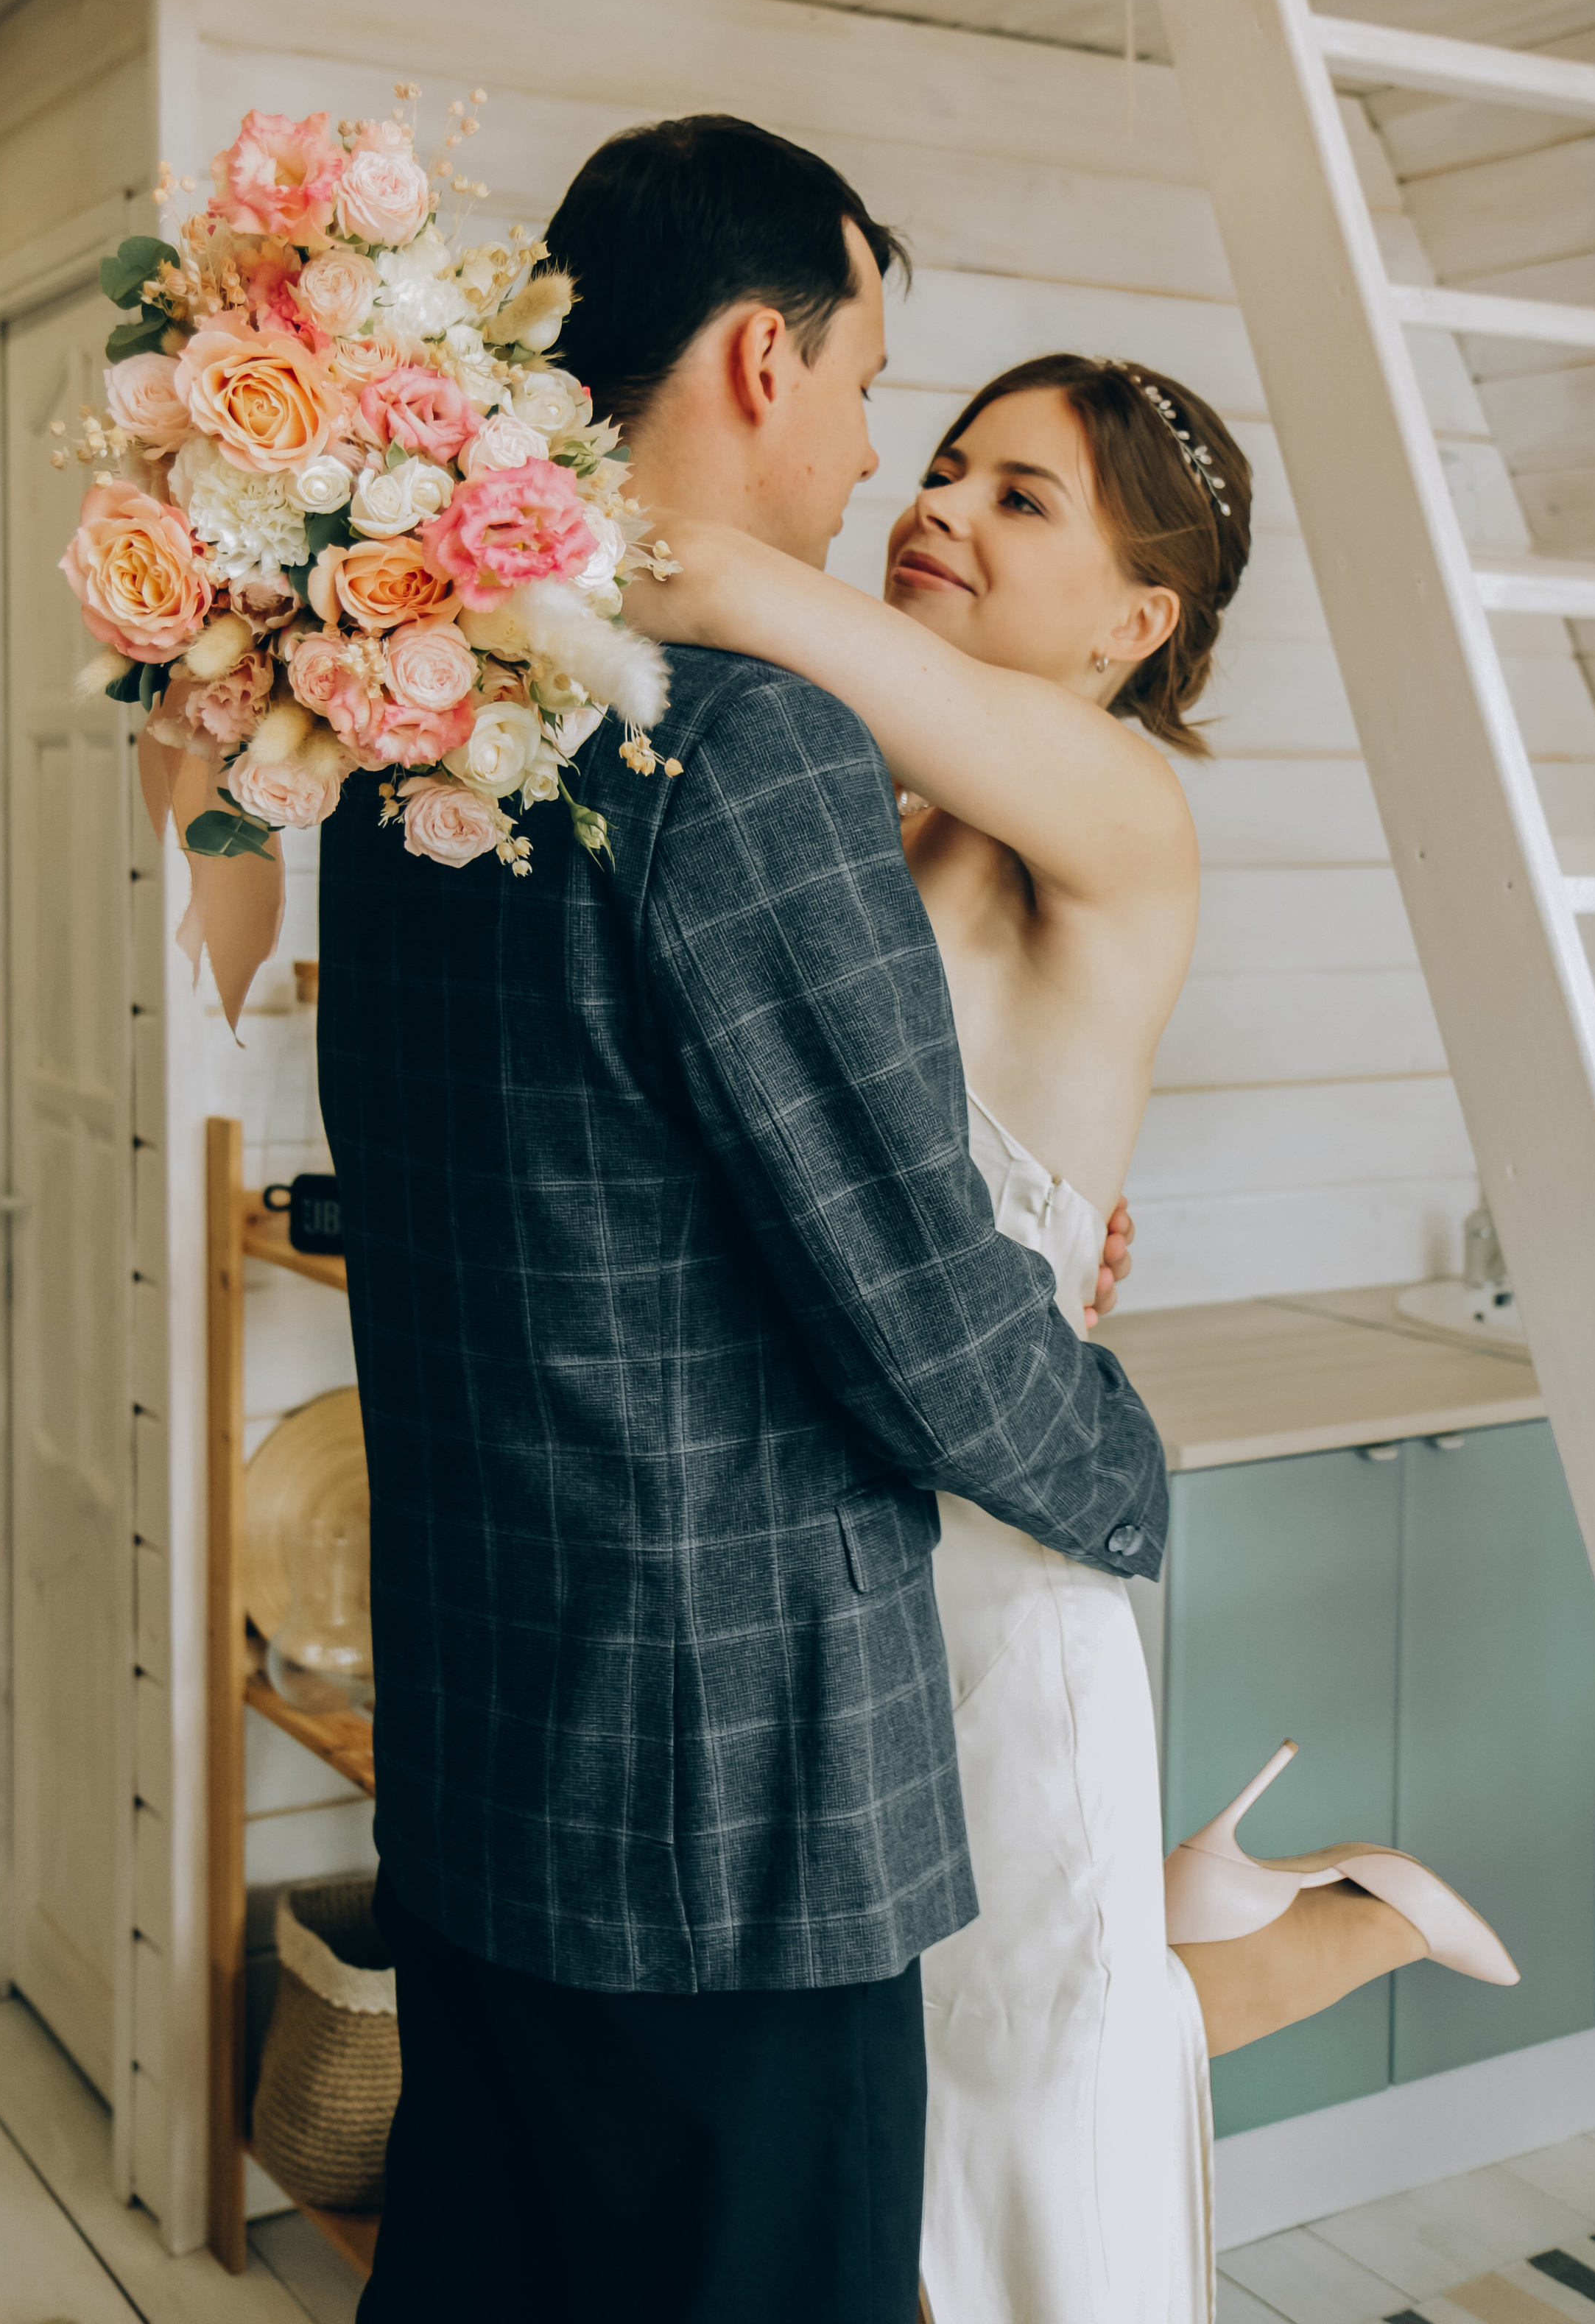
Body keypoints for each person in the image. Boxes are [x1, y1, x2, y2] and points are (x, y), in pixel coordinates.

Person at [317, 113, 1169, 2324]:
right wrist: (1120, 1461)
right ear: (767, 365)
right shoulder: (742, 739)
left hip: (491, 1748)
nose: (884, 460)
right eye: (882, 394)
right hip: (727, 1802)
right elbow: (915, 1311)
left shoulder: (411, 706)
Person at [629, 341, 1520, 2320]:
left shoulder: (1123, 804)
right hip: (817, 1545)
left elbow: (727, 584)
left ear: (1137, 622)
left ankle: (1255, 1936)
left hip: (992, 1563)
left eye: (1013, 496)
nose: (932, 504)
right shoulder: (848, 801)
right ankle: (1238, 1931)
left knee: (1029, 2109)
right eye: (939, 465)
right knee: (909, 2092)